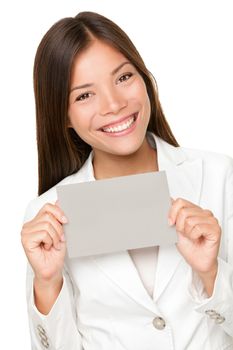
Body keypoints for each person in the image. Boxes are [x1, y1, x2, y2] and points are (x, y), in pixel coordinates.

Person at [21, 11, 233, 350]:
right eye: (84, 95)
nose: (115, 104)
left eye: (123, 78)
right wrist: (47, 284)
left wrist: (211, 274)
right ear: (63, 115)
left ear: (144, 78)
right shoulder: (48, 214)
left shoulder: (218, 175)